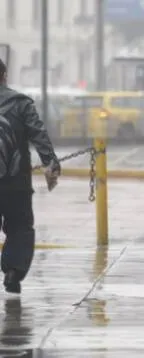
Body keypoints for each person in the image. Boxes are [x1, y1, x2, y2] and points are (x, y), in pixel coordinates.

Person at [0, 59, 60, 294]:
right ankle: (13, 272)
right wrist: (50, 163)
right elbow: (38, 133)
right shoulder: (21, 103)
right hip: (16, 181)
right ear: (4, 75)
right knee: (20, 227)